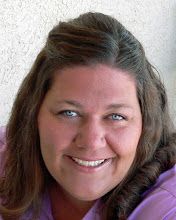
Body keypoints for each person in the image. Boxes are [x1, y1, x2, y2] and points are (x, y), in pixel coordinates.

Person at [0, 12, 176, 220]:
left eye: (116, 116)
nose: (91, 142)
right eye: (69, 113)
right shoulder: (6, 155)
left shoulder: (167, 206)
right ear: (33, 114)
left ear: (146, 124)